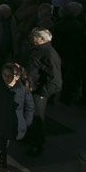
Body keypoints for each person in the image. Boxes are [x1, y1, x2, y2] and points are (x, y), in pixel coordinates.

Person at [0, 63, 34, 172]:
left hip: (13, 122)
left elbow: (30, 106)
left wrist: (26, 122)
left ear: (17, 77)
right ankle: (3, 167)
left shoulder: (23, 89)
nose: (6, 78)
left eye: (9, 76)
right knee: (2, 143)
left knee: (4, 143)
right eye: (4, 75)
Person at [25, 28, 62, 156]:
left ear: (42, 39)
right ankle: (30, 138)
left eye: (34, 36)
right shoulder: (38, 50)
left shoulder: (49, 53)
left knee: (37, 119)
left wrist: (42, 93)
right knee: (29, 115)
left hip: (38, 92)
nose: (31, 37)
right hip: (31, 88)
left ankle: (37, 145)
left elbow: (56, 81)